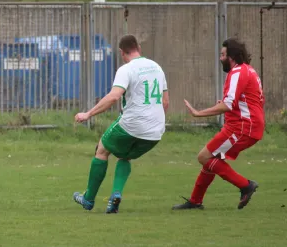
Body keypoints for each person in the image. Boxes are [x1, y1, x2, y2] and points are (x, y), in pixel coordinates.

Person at [73, 34, 169, 213]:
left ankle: (88, 199)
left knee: (102, 149)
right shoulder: (157, 67)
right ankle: (115, 195)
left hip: (133, 124)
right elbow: (165, 102)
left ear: (121, 52)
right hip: (155, 131)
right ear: (138, 48)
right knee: (125, 155)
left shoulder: (127, 69)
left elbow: (115, 96)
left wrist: (88, 114)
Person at [173, 38, 263, 210]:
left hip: (242, 127)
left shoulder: (237, 73)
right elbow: (247, 101)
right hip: (248, 126)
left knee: (204, 157)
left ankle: (245, 185)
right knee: (212, 158)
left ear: (232, 57)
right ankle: (195, 201)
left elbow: (228, 105)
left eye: (222, 55)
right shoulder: (249, 70)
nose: (220, 58)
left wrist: (199, 113)